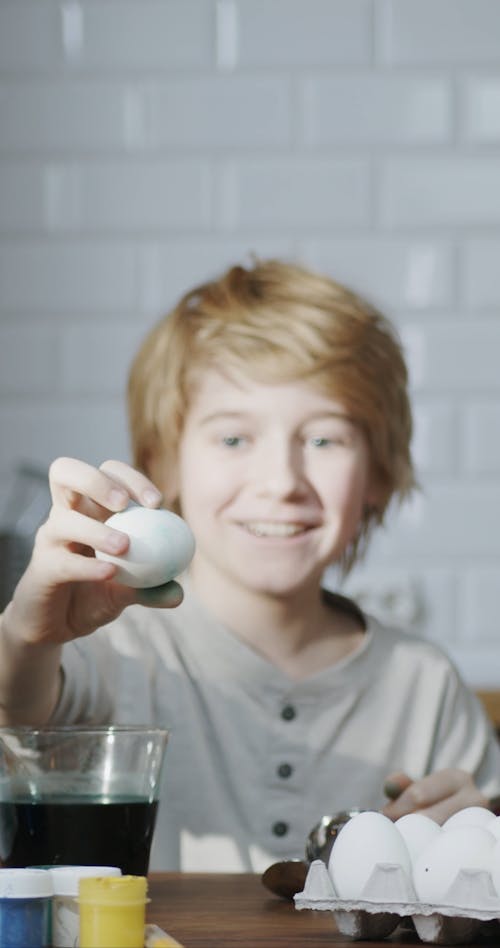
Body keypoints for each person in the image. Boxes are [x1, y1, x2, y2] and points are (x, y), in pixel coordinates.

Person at [1, 258, 499, 873]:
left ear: (377, 472)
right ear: (167, 461)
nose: (280, 483)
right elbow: (17, 710)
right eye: (234, 439)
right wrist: (26, 635)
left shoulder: (425, 689)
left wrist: (477, 839)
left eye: (324, 440)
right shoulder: (107, 652)